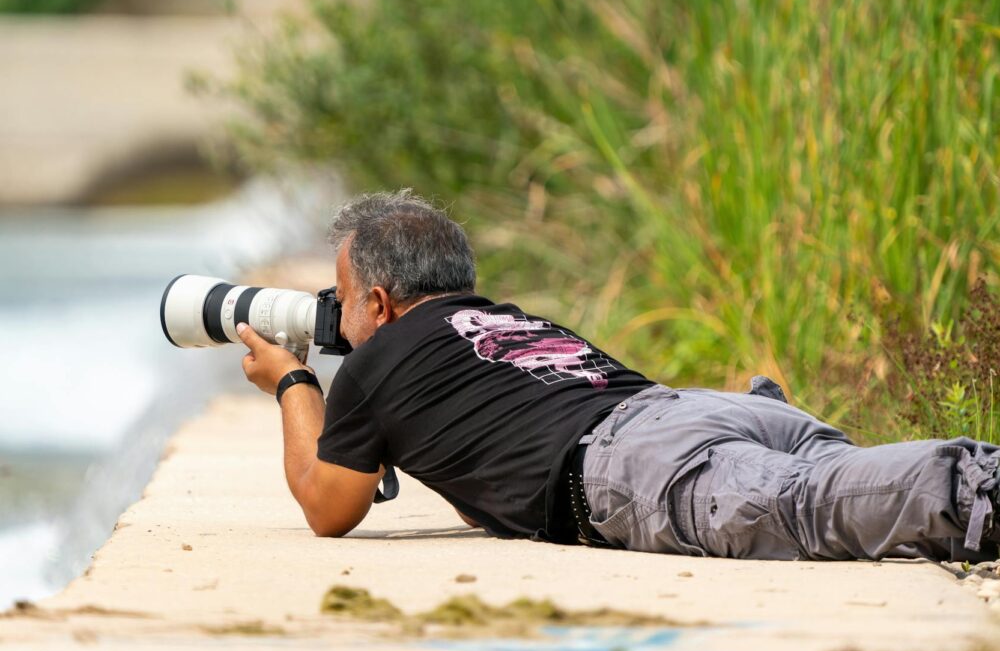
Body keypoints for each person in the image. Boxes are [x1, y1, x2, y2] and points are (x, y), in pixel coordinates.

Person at [237, 190, 1000, 562]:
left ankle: (980, 484)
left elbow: (328, 508)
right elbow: (486, 491)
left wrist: (292, 381)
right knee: (836, 482)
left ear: (376, 300)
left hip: (633, 460)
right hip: (695, 412)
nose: (336, 314)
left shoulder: (377, 362)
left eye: (340, 298)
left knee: (810, 511)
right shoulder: (506, 320)